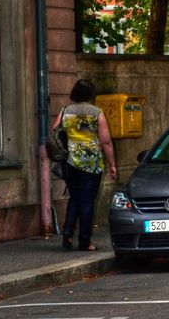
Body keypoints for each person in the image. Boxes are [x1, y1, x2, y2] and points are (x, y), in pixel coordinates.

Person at [52, 79, 117, 251]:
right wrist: (112, 164)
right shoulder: (97, 112)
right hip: (92, 163)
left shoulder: (65, 111)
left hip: (70, 162)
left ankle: (67, 233)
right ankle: (84, 241)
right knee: (88, 201)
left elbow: (54, 134)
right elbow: (106, 141)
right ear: (90, 94)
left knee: (74, 198)